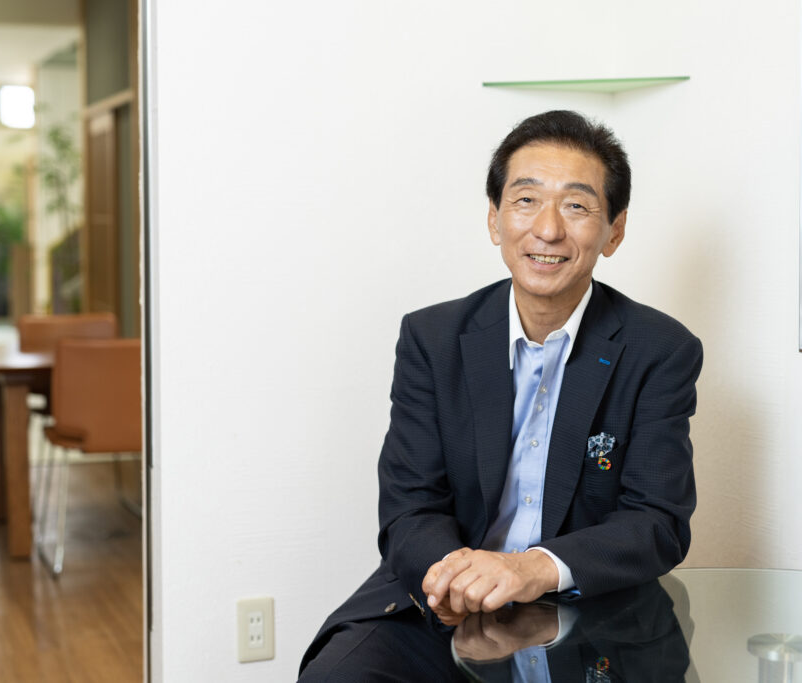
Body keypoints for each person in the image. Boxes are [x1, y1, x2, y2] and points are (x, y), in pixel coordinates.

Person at [299, 110, 703, 681]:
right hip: (439, 602)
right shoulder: (433, 339)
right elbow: (411, 505)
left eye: (577, 205)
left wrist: (529, 570)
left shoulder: (659, 350)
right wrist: (457, 579)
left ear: (614, 231)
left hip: (583, 610)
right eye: (526, 200)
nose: (548, 229)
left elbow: (656, 521)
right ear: (495, 219)